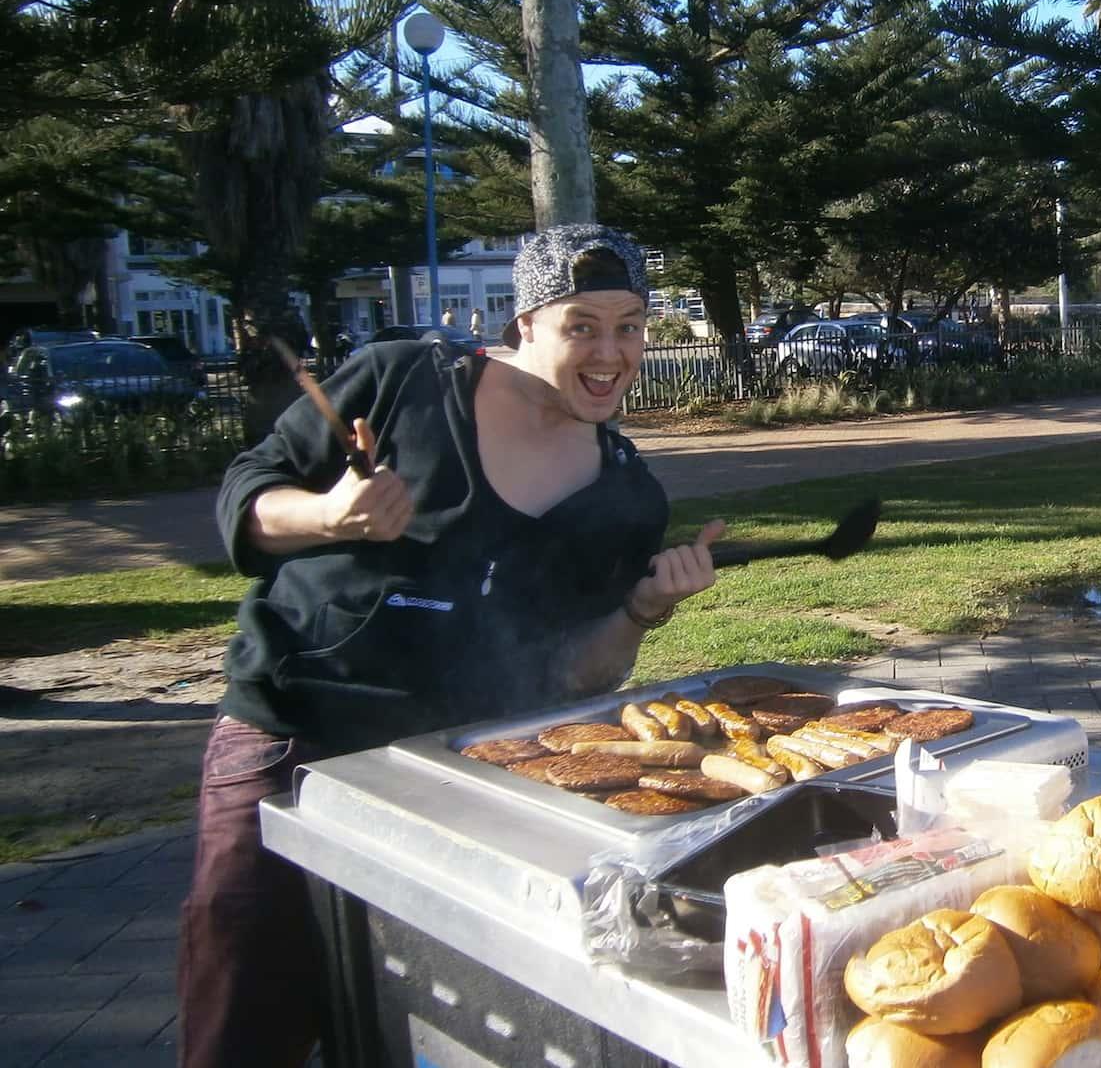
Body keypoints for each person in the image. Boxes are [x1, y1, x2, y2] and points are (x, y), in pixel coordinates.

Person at [177, 223, 724, 1067]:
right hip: (296, 742)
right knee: (245, 1017)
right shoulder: (404, 382)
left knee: (416, 1013)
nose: (610, 351)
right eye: (582, 324)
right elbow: (244, 499)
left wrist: (642, 610)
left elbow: (576, 674)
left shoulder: (626, 493)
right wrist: (327, 516)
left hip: (456, 775)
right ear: (526, 323)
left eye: (629, 325)